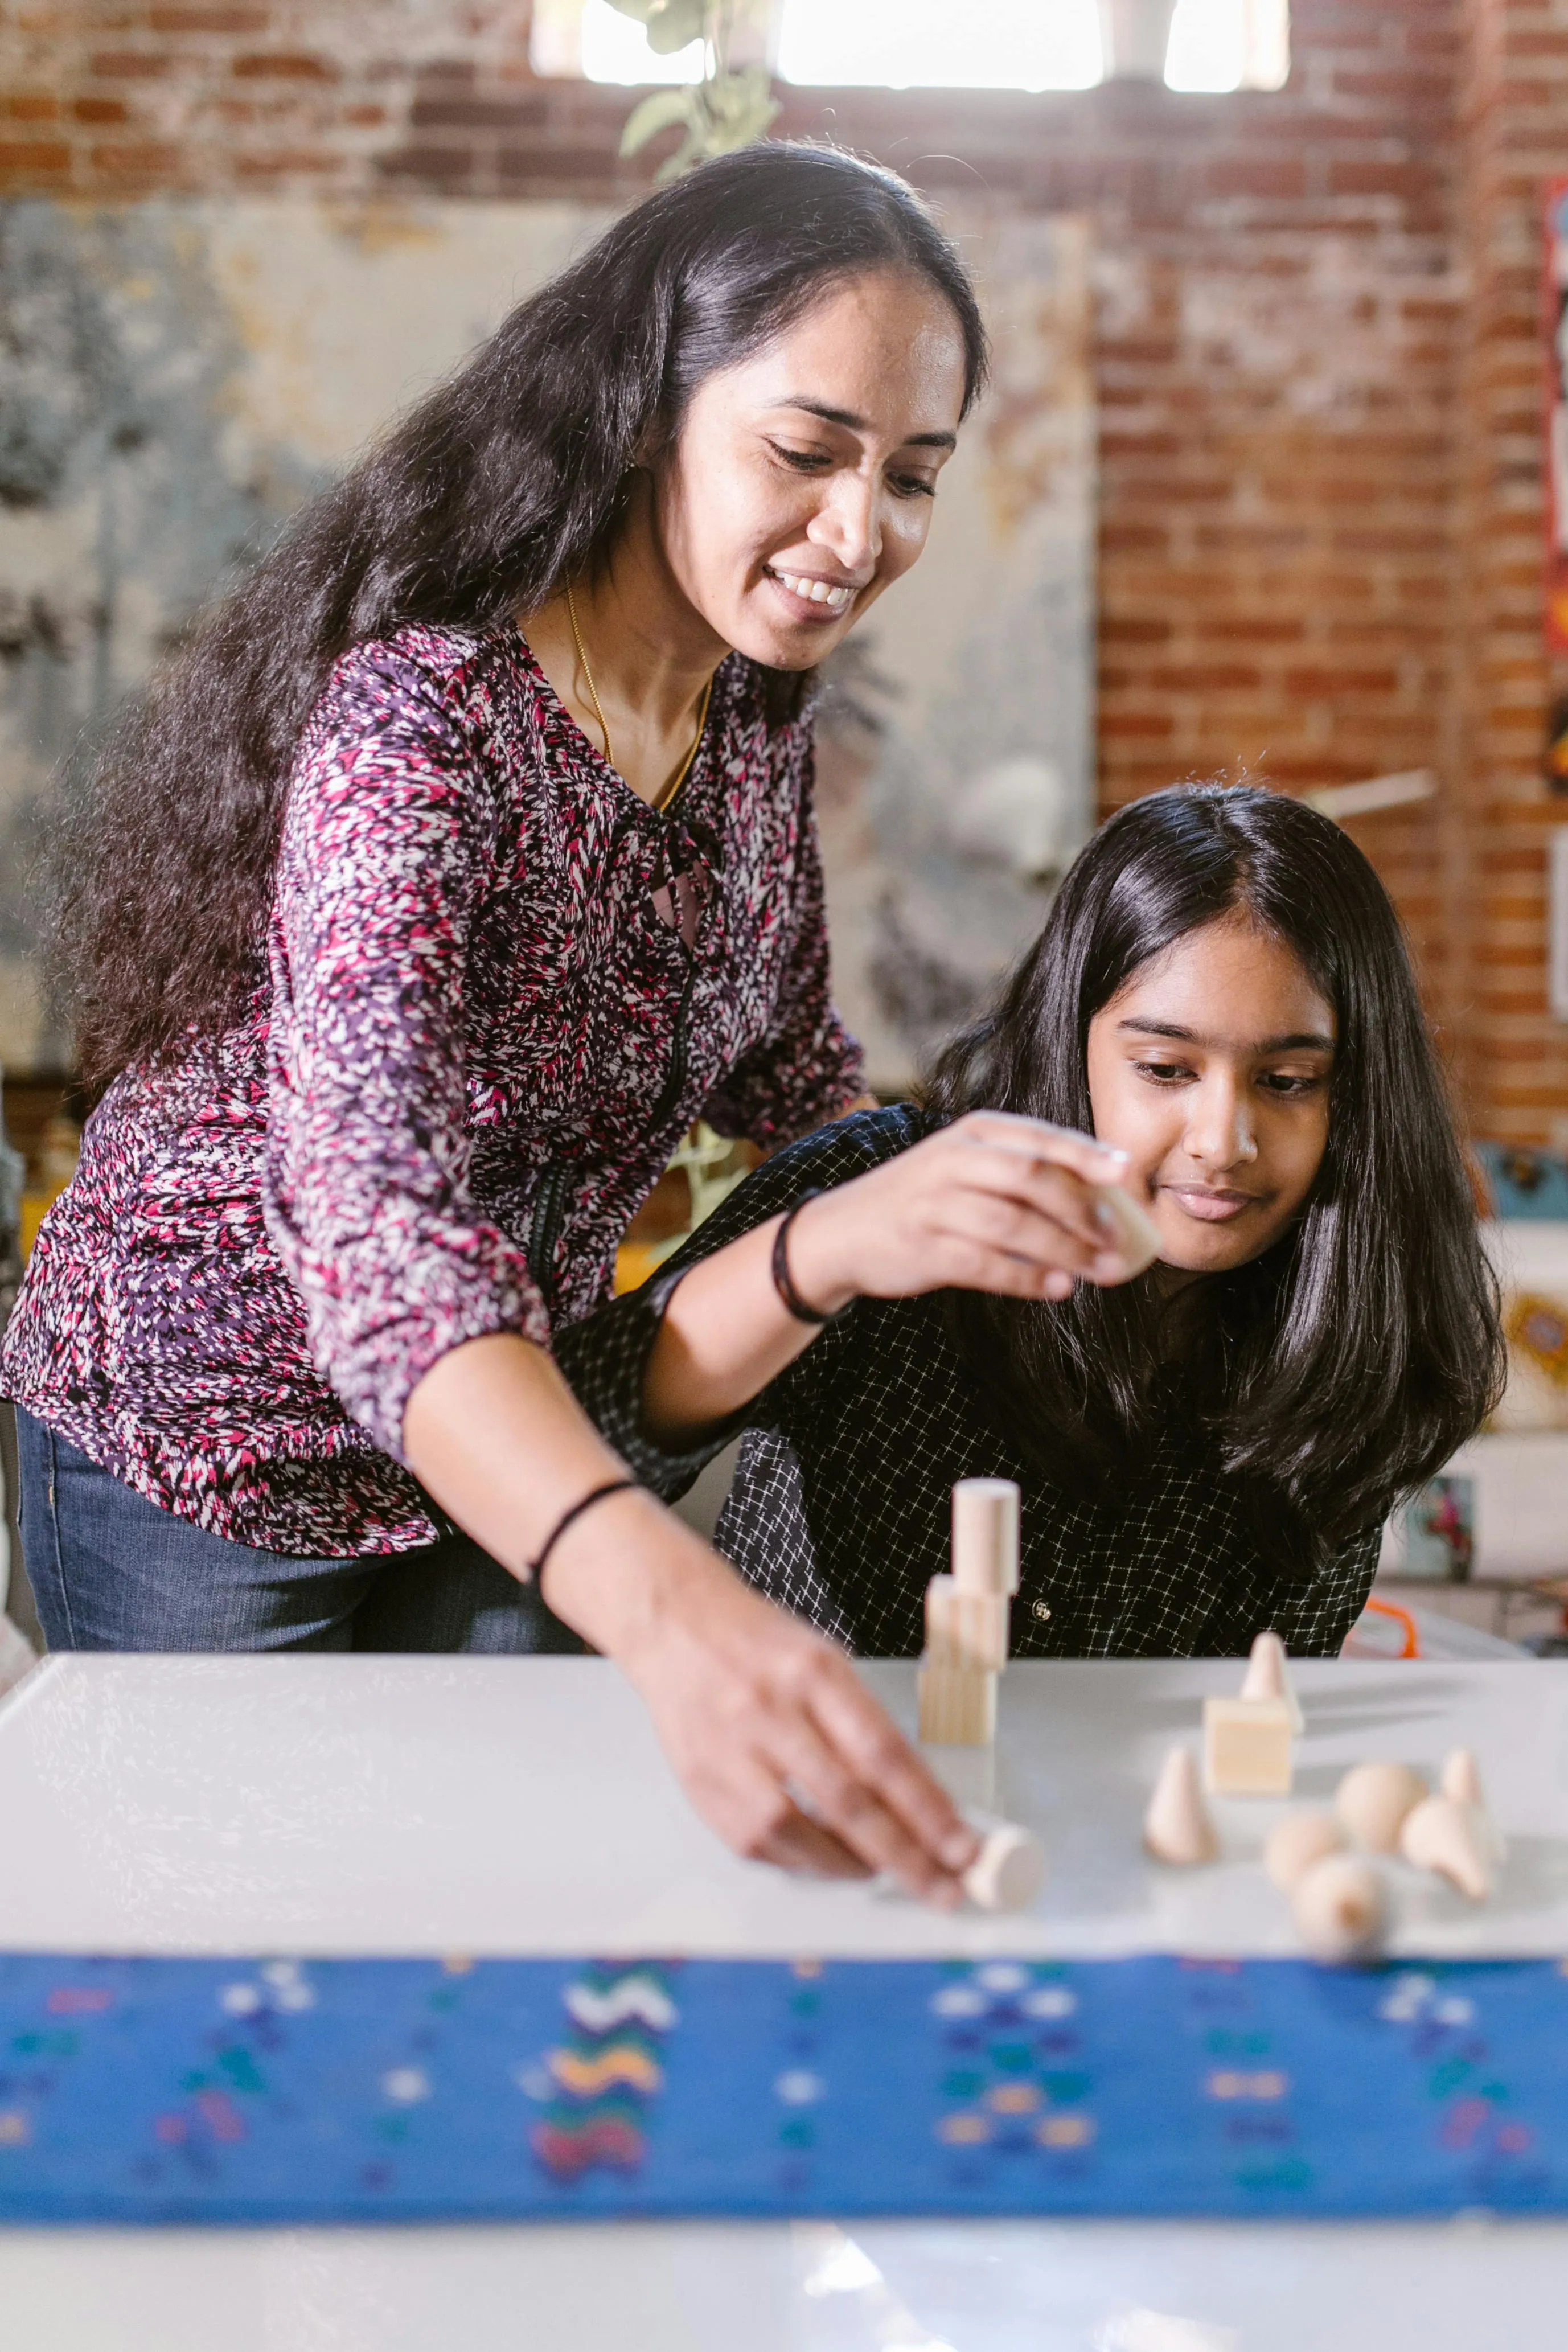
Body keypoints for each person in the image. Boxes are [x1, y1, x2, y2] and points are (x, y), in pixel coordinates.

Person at [1, 143, 1119, 1906]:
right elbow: (379, 1243)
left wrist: (972, 1187)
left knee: (486, 1907)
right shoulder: (422, 729)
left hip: (507, 1428)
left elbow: (783, 1074)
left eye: (913, 473)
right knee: (230, 1952)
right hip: (206, 1457)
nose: (861, 532)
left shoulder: (747, 726)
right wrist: (666, 1606)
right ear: (645, 404)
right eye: (806, 450)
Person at [557, 786, 1505, 1655]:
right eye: (1165, 1071)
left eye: (1287, 1082)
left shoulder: (1355, 1323)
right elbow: (574, 1443)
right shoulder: (881, 1186)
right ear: (1072, 1038)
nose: (1222, 1141)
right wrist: (825, 1252)